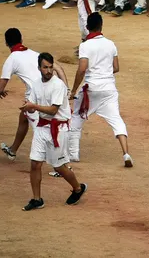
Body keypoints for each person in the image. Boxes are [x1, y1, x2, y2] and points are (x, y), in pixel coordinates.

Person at [21, 52, 88, 211]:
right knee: (35, 163)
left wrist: (32, 107)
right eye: (45, 67)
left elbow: (52, 110)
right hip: (42, 127)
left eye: (51, 67)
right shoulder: (36, 84)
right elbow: (33, 108)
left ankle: (78, 188)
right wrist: (28, 108)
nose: (49, 71)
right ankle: (37, 199)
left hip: (58, 129)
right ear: (39, 68)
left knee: (59, 166)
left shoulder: (58, 85)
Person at [68, 13, 133, 167]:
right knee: (117, 120)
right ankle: (126, 153)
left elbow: (82, 69)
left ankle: (73, 154)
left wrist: (73, 91)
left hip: (92, 89)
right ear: (101, 26)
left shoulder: (85, 46)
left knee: (77, 117)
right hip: (109, 88)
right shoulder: (111, 44)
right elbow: (116, 68)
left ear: (87, 27)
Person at [0, 28, 67, 163]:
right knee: (23, 118)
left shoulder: (12, 58)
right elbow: (58, 68)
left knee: (41, 130)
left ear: (6, 43)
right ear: (21, 39)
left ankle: (61, 163)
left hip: (36, 95)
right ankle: (13, 150)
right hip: (48, 90)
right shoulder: (35, 54)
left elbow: (0, 87)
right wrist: (66, 88)